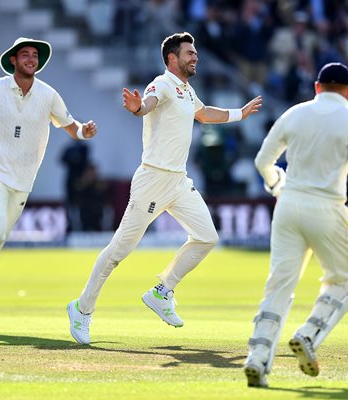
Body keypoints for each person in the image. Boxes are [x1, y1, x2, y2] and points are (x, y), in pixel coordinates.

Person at [66, 32, 262, 345]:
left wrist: (241, 112)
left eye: (195, 52)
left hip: (178, 181)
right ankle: (81, 308)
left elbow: (204, 113)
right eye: (190, 53)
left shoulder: (186, 89)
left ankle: (163, 291)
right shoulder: (162, 84)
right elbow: (147, 104)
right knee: (119, 251)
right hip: (153, 180)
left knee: (207, 237)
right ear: (172, 58)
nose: (195, 57)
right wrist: (137, 108)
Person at [243, 62, 348, 387]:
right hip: (328, 209)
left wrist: (275, 184)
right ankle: (308, 334)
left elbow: (261, 161)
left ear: (316, 87)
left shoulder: (294, 114)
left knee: (278, 286)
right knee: (340, 284)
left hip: (288, 205)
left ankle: (257, 357)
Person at [0, 37, 98, 333]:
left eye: (34, 55)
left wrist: (85, 131)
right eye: (25, 55)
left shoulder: (48, 94)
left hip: (23, 179)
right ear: (13, 60)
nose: (31, 59)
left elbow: (71, 127)